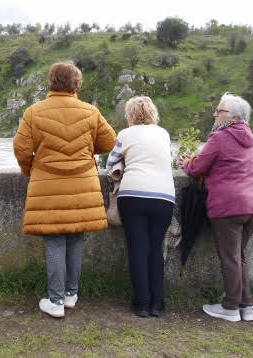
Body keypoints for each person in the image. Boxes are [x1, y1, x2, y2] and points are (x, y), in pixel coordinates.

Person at [13, 61, 116, 318]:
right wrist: (85, 150)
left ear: (51, 81)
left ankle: (55, 300)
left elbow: (21, 149)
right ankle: (71, 295)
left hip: (48, 183)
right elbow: (110, 141)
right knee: (75, 238)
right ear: (76, 84)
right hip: (83, 183)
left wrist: (30, 170)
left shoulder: (34, 112)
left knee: (55, 240)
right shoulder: (90, 112)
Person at [178, 93, 253, 322]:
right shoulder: (248, 136)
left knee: (230, 258)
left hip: (229, 206)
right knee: (239, 256)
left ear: (232, 116)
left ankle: (230, 307)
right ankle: (247, 307)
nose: (215, 114)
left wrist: (187, 163)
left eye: (219, 111)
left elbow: (198, 168)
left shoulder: (220, 137)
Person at [105, 96, 175, 318]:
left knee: (138, 249)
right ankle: (158, 303)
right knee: (156, 249)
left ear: (131, 115)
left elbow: (109, 163)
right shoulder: (163, 133)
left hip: (134, 194)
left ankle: (142, 303)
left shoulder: (126, 134)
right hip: (164, 196)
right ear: (153, 113)